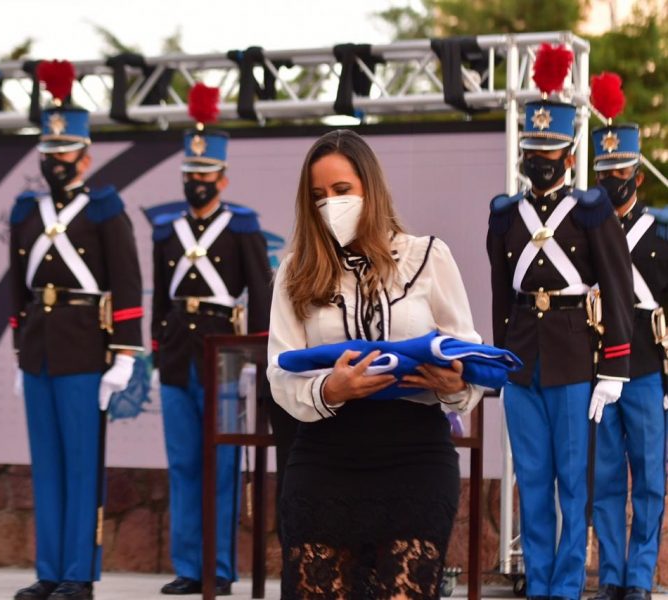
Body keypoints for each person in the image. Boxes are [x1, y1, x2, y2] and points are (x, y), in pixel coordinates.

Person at [267, 129, 484, 599]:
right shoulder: (295, 270)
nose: (330, 204)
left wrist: (453, 381)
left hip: (414, 458)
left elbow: (469, 356)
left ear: (370, 187)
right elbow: (279, 373)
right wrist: (331, 389)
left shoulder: (429, 258)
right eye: (318, 196)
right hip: (324, 459)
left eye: (342, 191)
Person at [486, 93, 634, 599]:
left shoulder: (591, 212)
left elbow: (616, 289)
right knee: (532, 480)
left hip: (573, 354)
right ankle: (540, 582)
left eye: (549, 157)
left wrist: (615, 365)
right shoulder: (506, 215)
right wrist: (501, 362)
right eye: (532, 155)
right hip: (524, 355)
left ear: (569, 157)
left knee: (574, 482)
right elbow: (501, 294)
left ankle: (567, 586)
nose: (540, 165)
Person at [9, 75, 144, 600]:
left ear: (86, 156)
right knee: (46, 465)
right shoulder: (27, 211)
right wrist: (20, 351)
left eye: (65, 150)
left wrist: (125, 354)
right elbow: (15, 290)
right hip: (39, 347)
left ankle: (78, 574)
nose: (55, 159)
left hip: (88, 345)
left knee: (82, 463)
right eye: (49, 149)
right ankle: (49, 570)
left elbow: (127, 281)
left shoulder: (105, 208)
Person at [150, 84, 272, 596]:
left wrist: (261, 355)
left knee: (222, 463)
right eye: (189, 176)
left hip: (225, 352)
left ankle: (218, 569)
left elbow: (261, 293)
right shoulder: (166, 229)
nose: (196, 183)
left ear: (222, 177)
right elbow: (159, 297)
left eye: (204, 175)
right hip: (178, 350)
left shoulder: (242, 226)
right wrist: (155, 349)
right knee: (182, 462)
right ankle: (187, 566)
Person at [587, 78, 668, 600]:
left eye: (620, 170)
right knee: (606, 480)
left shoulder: (661, 235)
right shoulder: (584, 231)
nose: (614, 179)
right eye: (604, 172)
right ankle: (612, 576)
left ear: (637, 172)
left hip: (646, 366)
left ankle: (640, 577)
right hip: (597, 366)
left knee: (652, 479)